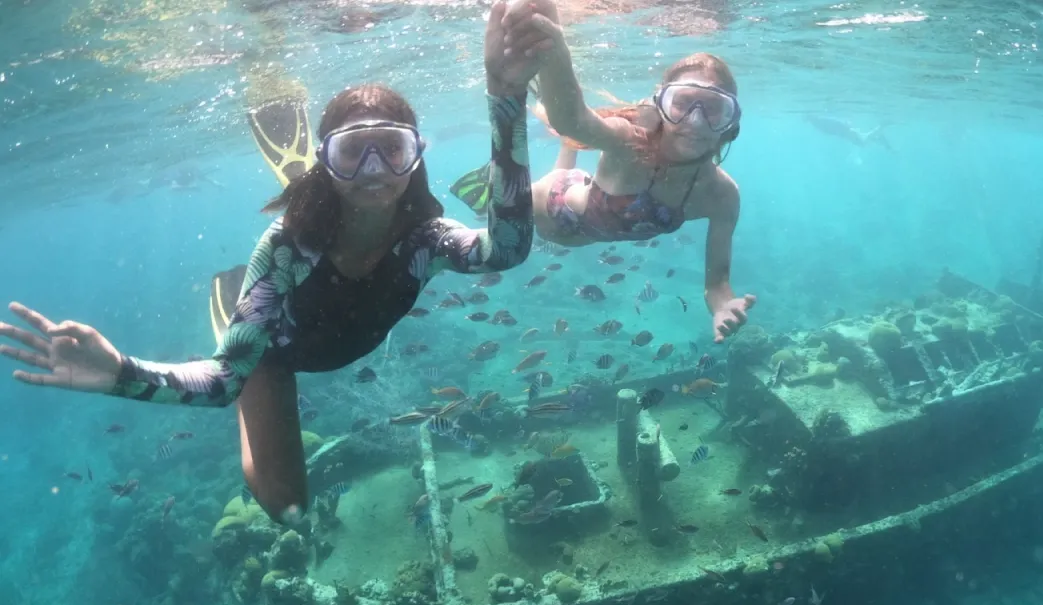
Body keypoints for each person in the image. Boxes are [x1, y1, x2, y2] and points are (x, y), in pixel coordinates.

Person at [0, 3, 545, 524]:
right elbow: (219, 384)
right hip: (273, 353)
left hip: (332, 330)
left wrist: (506, 95)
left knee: (290, 509)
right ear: (327, 161)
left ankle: (252, 290)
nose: (375, 168)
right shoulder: (287, 248)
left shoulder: (426, 240)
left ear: (416, 157)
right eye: (352, 152)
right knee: (287, 509)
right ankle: (233, 310)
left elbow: (508, 249)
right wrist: (119, 372)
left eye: (392, 149)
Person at [454, 0, 755, 344]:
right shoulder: (631, 142)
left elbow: (717, 284)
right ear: (661, 108)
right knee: (504, 207)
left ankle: (566, 149)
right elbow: (573, 119)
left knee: (574, 157)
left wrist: (722, 306)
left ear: (731, 125)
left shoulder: (722, 196)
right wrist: (554, 50)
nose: (695, 121)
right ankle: (499, 177)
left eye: (714, 110)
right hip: (551, 205)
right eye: (682, 104)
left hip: (587, 211)